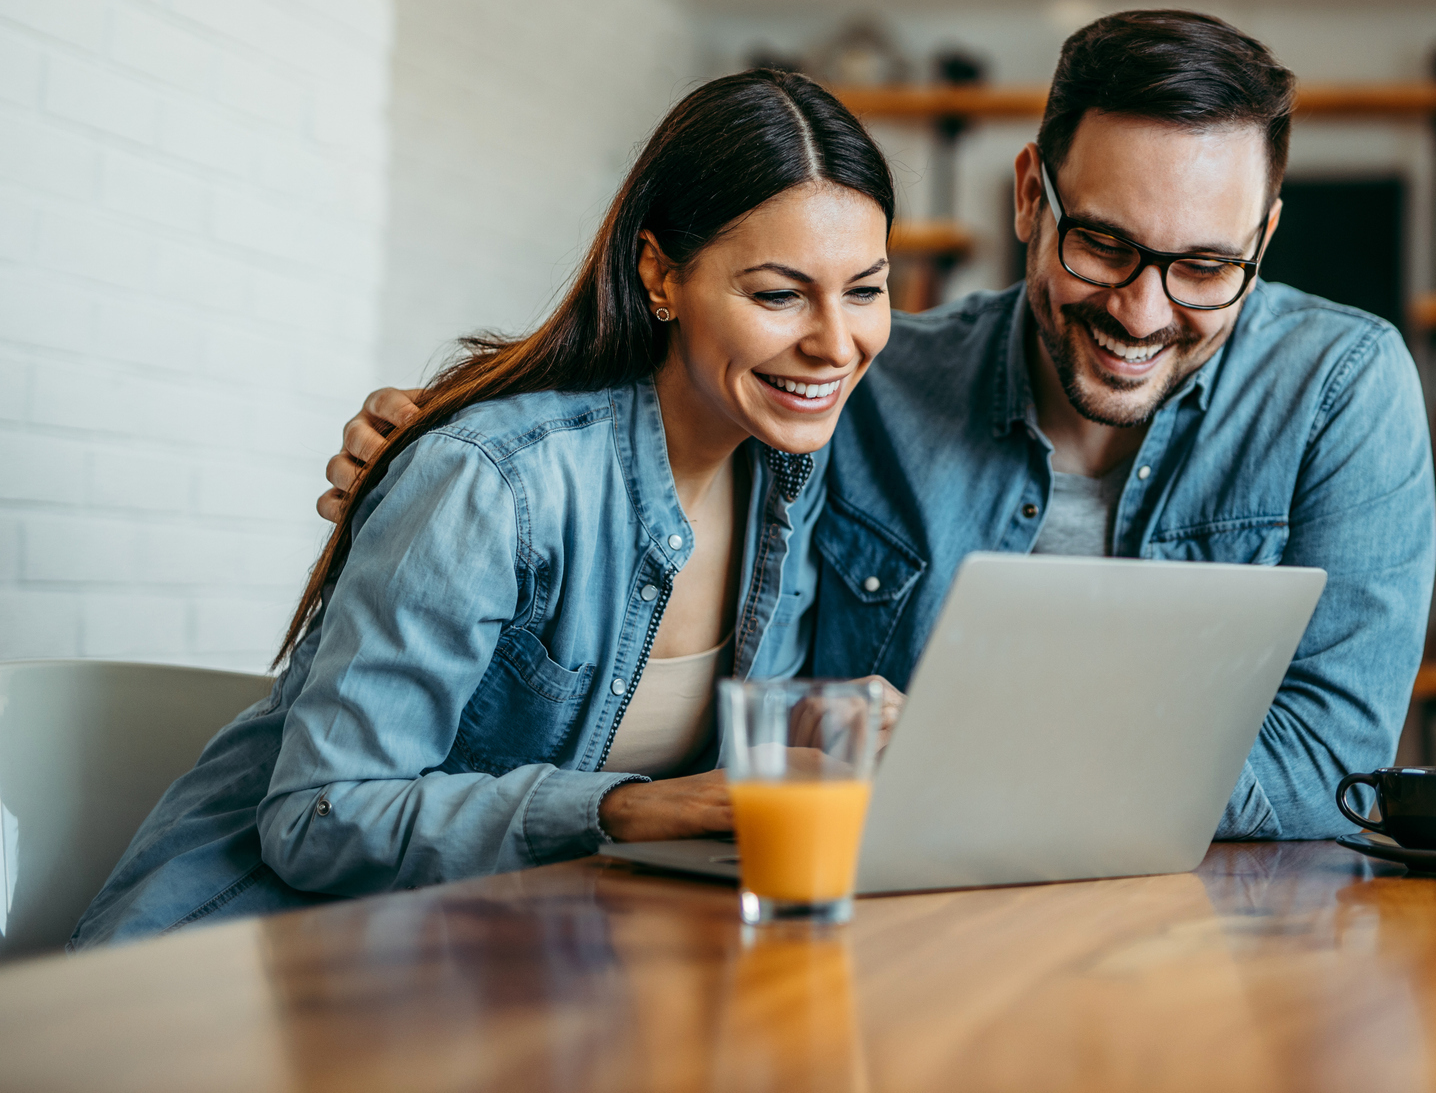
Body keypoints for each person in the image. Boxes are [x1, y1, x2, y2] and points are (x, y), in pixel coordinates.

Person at [327, 11, 1436, 844]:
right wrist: (454, 443)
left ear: (1266, 237)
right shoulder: (868, 379)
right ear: (1028, 199)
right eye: (1100, 244)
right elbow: (675, 379)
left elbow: (1328, 768)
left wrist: (973, 758)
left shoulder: (1340, 386)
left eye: (1205, 266)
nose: (1141, 312)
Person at [73, 70, 902, 947]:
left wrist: (818, 723)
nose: (835, 342)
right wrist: (624, 810)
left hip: (502, 962)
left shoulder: (785, 482)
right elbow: (320, 817)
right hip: (249, 961)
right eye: (778, 294)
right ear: (660, 276)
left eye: (865, 290)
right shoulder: (495, 482)